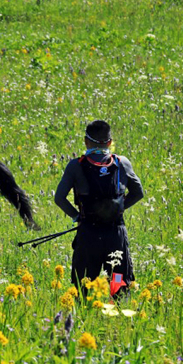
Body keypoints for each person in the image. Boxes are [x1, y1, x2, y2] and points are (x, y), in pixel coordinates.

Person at [54, 120, 144, 295]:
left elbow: (59, 198)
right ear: (109, 142)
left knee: (83, 287)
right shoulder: (121, 163)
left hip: (88, 234)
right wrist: (117, 209)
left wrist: (77, 217)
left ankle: (83, 318)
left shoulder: (76, 165)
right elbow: (138, 192)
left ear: (86, 141)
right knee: (119, 286)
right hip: (115, 234)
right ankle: (119, 314)